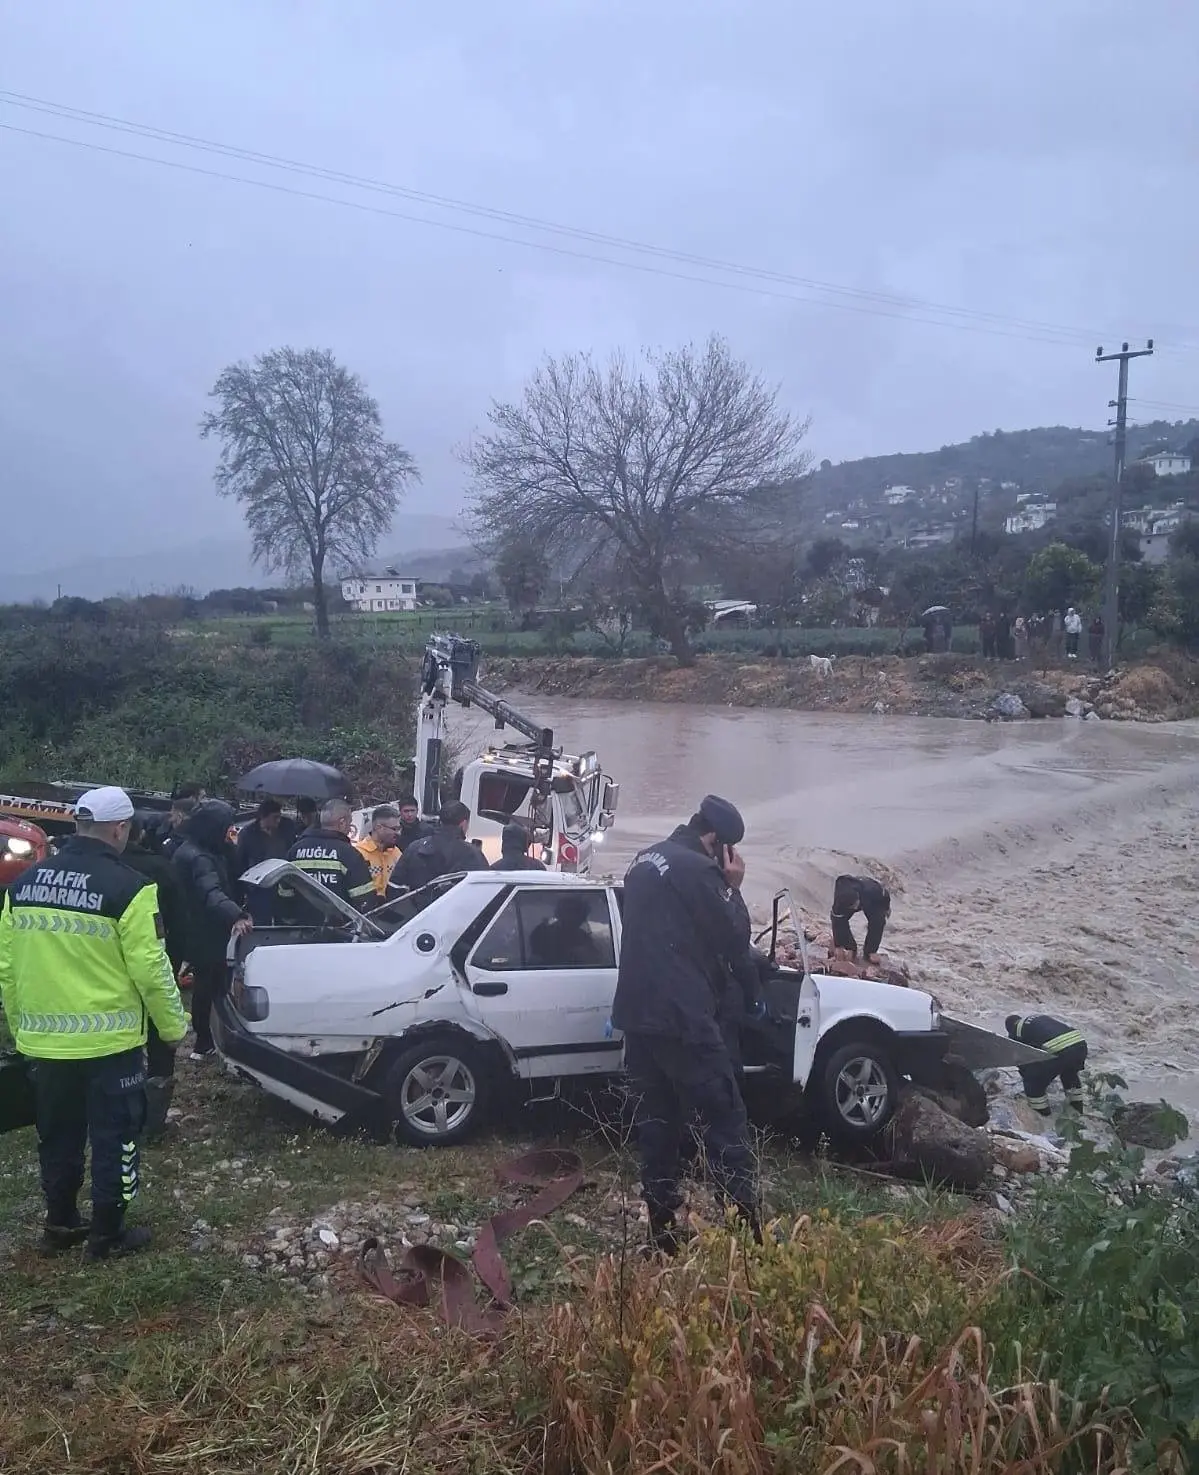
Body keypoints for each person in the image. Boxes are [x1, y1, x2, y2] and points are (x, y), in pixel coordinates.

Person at [0, 786, 188, 1259]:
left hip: (45, 1043)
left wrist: (23, 1029)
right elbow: (152, 969)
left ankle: (60, 1221)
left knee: (57, 1134)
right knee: (116, 1137)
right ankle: (107, 1234)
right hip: (109, 1045)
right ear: (121, 828)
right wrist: (173, 1028)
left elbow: (6, 968)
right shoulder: (131, 888)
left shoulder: (23, 885)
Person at [611, 794, 761, 1253]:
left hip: (638, 1016)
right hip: (683, 1018)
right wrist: (734, 887)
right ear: (715, 840)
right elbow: (734, 936)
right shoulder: (700, 870)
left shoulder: (643, 859)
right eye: (727, 850)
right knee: (726, 1120)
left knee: (658, 1123)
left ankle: (661, 1233)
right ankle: (747, 1244)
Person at [123, 816, 189, 1140]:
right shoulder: (161, 868)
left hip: (109, 973)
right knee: (160, 1042)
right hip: (159, 958)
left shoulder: (97, 872)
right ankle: (153, 1121)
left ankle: (116, 1111)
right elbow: (179, 918)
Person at [172, 800, 252, 1060]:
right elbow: (211, 893)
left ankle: (209, 1038)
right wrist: (236, 916)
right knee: (208, 986)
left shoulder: (202, 850)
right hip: (203, 930)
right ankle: (204, 1042)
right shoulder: (199, 857)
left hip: (199, 926)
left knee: (211, 984)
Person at [283, 798, 377, 914]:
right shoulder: (348, 854)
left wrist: (290, 922)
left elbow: (285, 892)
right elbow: (365, 899)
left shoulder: (294, 850)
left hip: (301, 928)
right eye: (349, 823)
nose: (349, 828)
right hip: (341, 929)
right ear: (342, 822)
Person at [390, 800, 490, 892]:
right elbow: (485, 890)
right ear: (463, 824)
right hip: (458, 910)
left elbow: (394, 886)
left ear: (440, 821)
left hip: (419, 910)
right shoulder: (472, 854)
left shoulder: (414, 848)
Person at [1005, 1014, 1088, 1115]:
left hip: (1059, 1050)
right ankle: (1077, 1110)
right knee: (1069, 1075)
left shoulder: (1015, 1030)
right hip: (1079, 1044)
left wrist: (1030, 1074)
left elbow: (1021, 1059)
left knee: (1033, 1082)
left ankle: (1042, 1115)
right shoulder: (1037, 1019)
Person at [529, 893, 604, 966]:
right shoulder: (542, 933)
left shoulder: (582, 936)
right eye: (569, 912)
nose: (572, 917)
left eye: (576, 913)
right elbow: (533, 962)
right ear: (559, 913)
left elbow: (595, 962)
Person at [830, 875, 891, 961]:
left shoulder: (871, 889)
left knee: (879, 920)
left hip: (870, 901)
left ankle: (870, 951)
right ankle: (850, 947)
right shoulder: (840, 903)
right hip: (848, 902)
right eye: (852, 907)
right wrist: (839, 945)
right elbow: (836, 922)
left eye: (855, 905)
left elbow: (885, 895)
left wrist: (886, 908)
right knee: (840, 920)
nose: (855, 908)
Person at [354, 804, 403, 898]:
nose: (398, 833)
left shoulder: (396, 852)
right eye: (394, 829)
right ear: (379, 827)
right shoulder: (358, 854)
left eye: (399, 828)